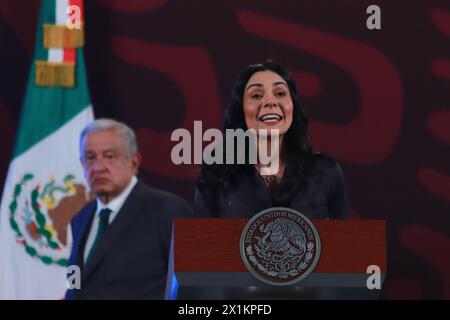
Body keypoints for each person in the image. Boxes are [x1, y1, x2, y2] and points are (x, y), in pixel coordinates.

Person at [194, 60, 348, 219]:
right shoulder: (216, 174)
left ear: (292, 107)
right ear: (241, 110)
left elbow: (345, 241)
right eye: (256, 95)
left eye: (280, 93)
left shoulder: (326, 172)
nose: (270, 102)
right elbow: (199, 241)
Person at [65, 119, 192, 299]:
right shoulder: (80, 218)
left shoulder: (168, 210)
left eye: (109, 156)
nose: (99, 167)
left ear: (134, 162)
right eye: (90, 157)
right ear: (81, 162)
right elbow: (75, 280)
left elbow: (193, 290)